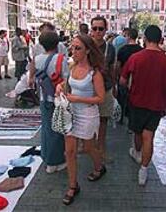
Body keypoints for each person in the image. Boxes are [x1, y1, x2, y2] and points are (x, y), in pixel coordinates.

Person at [120, 25, 166, 186]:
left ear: (144, 38)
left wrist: (129, 87)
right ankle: (144, 170)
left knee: (138, 133)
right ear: (161, 40)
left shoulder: (136, 58)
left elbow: (123, 81)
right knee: (149, 137)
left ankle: (137, 153)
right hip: (157, 105)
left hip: (136, 102)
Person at [59, 35, 106, 205]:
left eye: (78, 48)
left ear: (87, 50)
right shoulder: (72, 67)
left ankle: (99, 167)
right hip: (71, 113)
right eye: (72, 47)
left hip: (87, 114)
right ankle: (73, 186)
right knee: (70, 151)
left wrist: (77, 99)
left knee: (88, 147)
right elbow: (67, 87)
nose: (73, 51)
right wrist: (60, 88)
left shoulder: (95, 73)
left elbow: (100, 98)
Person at [35, 32, 69, 174]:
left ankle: (47, 157)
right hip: (58, 99)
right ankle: (55, 162)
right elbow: (66, 81)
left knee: (47, 129)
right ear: (58, 43)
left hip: (44, 98)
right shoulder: (61, 59)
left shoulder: (36, 59)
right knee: (58, 130)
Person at [90, 16, 116, 163]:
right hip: (88, 90)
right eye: (95, 28)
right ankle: (89, 146)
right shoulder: (85, 45)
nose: (98, 31)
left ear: (105, 30)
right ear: (91, 30)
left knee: (103, 120)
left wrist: (114, 87)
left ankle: (101, 149)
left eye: (101, 28)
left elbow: (113, 69)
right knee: (87, 120)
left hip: (105, 89)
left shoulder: (110, 48)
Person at [116, 28, 143, 124]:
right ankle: (132, 120)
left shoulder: (122, 50)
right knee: (133, 101)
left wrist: (119, 75)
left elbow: (118, 65)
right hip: (137, 79)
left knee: (122, 99)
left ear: (128, 36)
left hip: (123, 77)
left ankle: (120, 117)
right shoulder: (141, 50)